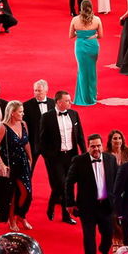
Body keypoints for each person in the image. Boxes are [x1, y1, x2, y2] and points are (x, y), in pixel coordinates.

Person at [70, 133, 119, 254]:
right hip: (87, 208)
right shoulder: (79, 161)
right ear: (88, 147)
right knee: (89, 238)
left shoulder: (111, 159)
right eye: (92, 146)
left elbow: (117, 181)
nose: (96, 149)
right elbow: (69, 182)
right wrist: (70, 203)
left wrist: (118, 202)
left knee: (108, 234)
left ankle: (104, 251)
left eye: (98, 145)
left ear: (102, 145)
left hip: (106, 206)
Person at [39, 91, 86, 223]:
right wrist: (48, 157)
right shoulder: (47, 117)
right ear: (59, 102)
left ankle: (51, 205)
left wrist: (84, 154)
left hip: (71, 155)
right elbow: (42, 140)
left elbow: (80, 136)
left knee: (67, 185)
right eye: (67, 100)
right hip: (56, 157)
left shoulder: (74, 114)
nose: (70, 103)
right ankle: (66, 215)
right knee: (62, 185)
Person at [0, 100, 33, 231]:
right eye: (20, 112)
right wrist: (1, 164)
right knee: (12, 195)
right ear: (12, 113)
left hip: (23, 163)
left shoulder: (23, 124)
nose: (23, 113)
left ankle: (20, 215)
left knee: (26, 192)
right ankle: (12, 220)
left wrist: (31, 158)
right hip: (9, 165)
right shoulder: (2, 127)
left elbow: (26, 143)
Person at [70, 1, 102, 106]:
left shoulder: (75, 20)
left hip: (80, 47)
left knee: (82, 71)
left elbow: (71, 35)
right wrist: (93, 35)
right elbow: (100, 35)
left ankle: (83, 97)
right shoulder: (97, 20)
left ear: (81, 8)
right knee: (92, 71)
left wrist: (80, 33)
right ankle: (92, 96)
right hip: (93, 46)